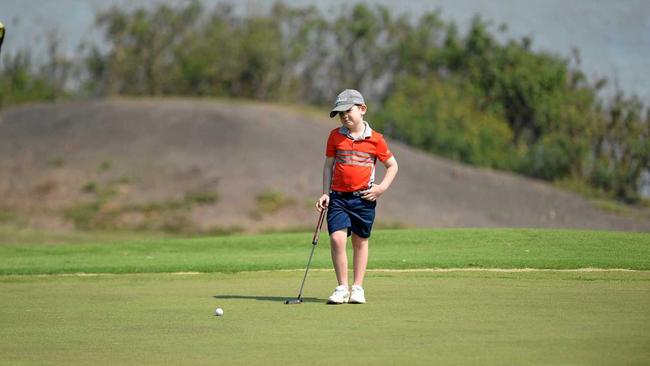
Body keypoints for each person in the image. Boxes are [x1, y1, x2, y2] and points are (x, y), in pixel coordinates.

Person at [316, 89, 398, 304]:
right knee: (337, 238)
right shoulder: (335, 136)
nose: (344, 116)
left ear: (362, 109)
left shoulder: (376, 139)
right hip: (338, 198)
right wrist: (325, 193)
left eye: (347, 111)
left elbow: (392, 165)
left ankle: (357, 287)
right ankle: (342, 287)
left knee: (360, 241)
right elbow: (328, 166)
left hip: (364, 198)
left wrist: (381, 188)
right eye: (340, 113)